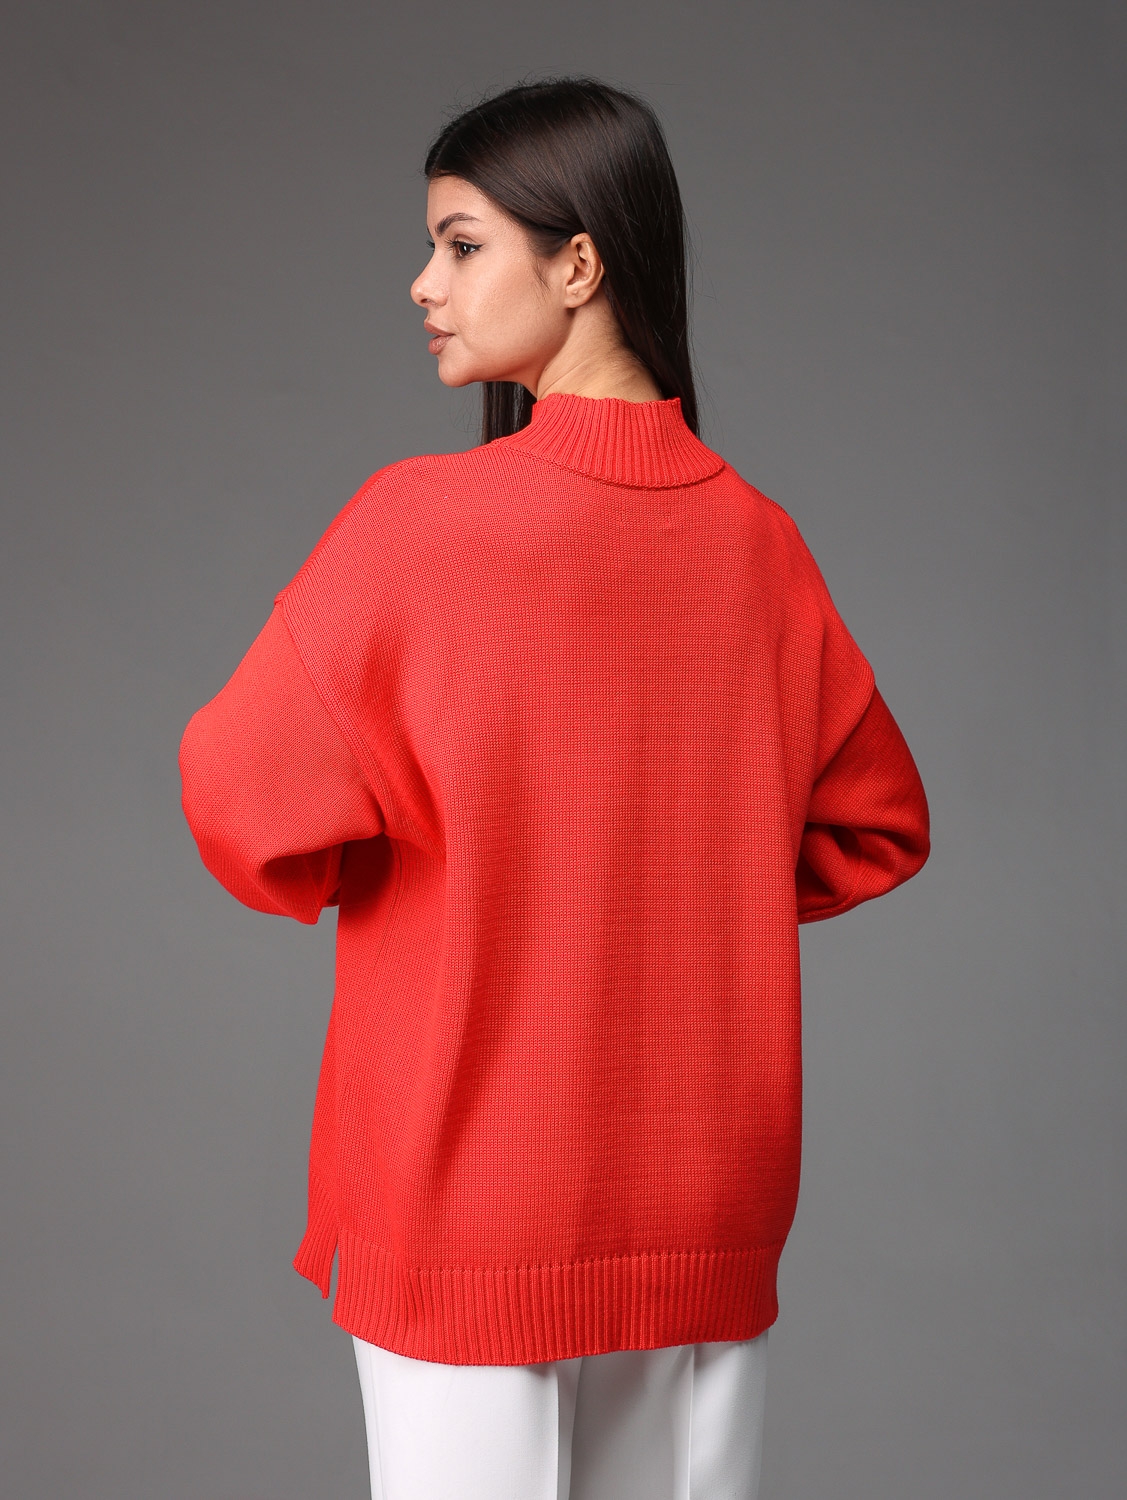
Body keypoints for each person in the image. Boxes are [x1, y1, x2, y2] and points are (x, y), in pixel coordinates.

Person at [179, 75, 930, 1500]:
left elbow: (240, 798)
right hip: (706, 1200)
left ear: (578, 262)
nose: (424, 284)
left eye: (461, 244)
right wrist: (686, 876)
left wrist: (417, 869)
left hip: (471, 1197)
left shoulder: (421, 527)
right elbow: (875, 823)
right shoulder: (760, 545)